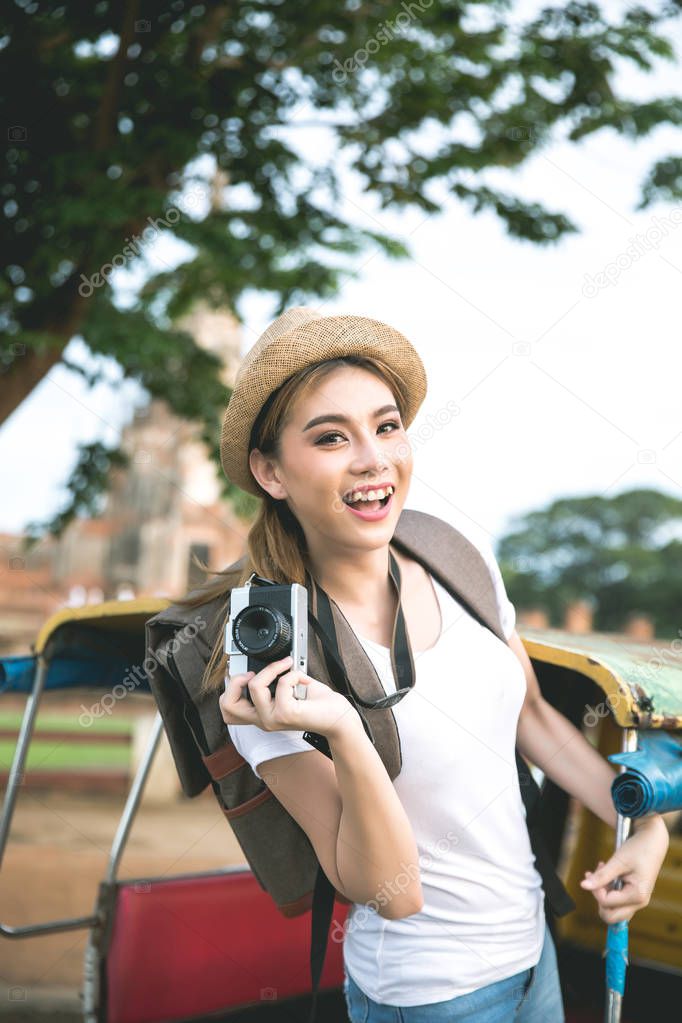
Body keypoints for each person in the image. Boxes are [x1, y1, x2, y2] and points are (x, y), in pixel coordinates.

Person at [211, 306, 669, 1022]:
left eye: (386, 425)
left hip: (532, 954)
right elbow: (391, 891)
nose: (373, 458)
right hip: (429, 995)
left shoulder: (456, 557)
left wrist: (645, 826)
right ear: (270, 471)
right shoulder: (268, 664)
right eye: (332, 437)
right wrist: (343, 728)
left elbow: (534, 717)